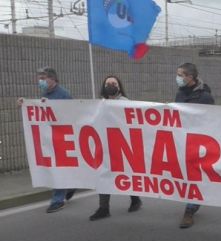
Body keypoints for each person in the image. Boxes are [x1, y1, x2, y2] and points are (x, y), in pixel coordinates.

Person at [18, 67, 75, 213]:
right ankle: (71, 185)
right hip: (51, 138)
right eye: (39, 78)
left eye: (43, 78)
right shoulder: (45, 93)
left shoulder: (63, 95)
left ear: (53, 79)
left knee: (58, 167)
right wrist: (24, 104)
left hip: (63, 138)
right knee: (59, 167)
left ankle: (57, 200)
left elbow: (72, 114)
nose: (40, 81)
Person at [88, 75, 143, 221]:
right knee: (103, 175)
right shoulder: (100, 104)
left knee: (127, 174)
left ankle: (135, 199)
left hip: (123, 146)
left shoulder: (126, 103)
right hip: (105, 147)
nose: (111, 85)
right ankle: (103, 208)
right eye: (108, 83)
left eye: (114, 83)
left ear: (119, 86)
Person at [175, 62, 215, 228]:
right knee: (185, 174)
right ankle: (194, 201)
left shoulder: (205, 97)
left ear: (190, 77)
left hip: (199, 142)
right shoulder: (180, 94)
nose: (177, 78)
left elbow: (213, 119)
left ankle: (190, 210)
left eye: (180, 75)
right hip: (182, 139)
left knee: (194, 174)